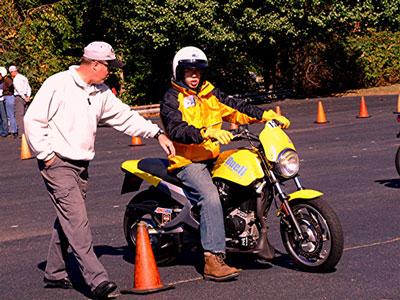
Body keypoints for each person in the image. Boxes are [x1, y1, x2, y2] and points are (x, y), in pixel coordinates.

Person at [24, 41, 175, 299]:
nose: (111, 72)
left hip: (81, 164)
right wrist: (46, 155)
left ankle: (55, 272)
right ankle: (97, 281)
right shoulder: (58, 84)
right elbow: (32, 119)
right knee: (78, 222)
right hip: (58, 163)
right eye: (109, 67)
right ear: (94, 64)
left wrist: (157, 133)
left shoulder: (100, 92)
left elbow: (124, 116)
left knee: (69, 219)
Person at [160, 46, 290, 282]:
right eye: (189, 71)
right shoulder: (172, 98)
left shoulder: (211, 94)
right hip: (187, 160)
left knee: (251, 171)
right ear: (179, 73)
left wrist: (266, 115)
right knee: (210, 198)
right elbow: (175, 129)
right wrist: (206, 132)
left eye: (198, 71)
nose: (194, 76)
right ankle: (213, 259)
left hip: (212, 156)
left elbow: (237, 108)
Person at [9, 65, 31, 137]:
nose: (10, 74)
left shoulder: (16, 79)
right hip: (26, 96)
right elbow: (28, 87)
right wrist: (28, 96)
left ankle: (22, 133)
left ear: (12, 72)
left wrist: (24, 97)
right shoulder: (23, 77)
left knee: (19, 116)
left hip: (20, 98)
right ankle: (29, 132)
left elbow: (19, 90)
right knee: (26, 115)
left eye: (10, 72)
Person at [0, 67, 17, 138]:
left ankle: (13, 131)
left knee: (10, 115)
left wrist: (5, 92)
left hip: (8, 97)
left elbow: (12, 86)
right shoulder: (4, 80)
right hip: (5, 98)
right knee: (6, 116)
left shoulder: (7, 80)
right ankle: (7, 131)